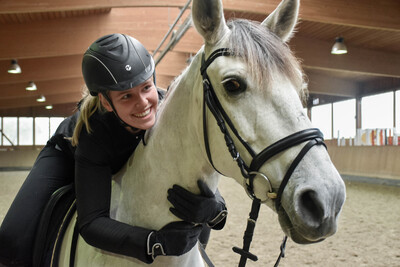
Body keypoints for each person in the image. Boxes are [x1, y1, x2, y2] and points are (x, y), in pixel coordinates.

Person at [0, 33, 227, 266]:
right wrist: (154, 242)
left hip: (119, 152)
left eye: (146, 87)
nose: (143, 103)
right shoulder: (95, 134)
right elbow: (92, 223)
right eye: (126, 96)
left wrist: (215, 206)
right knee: (10, 238)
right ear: (106, 102)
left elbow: (192, 165)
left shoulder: (167, 111)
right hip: (67, 155)